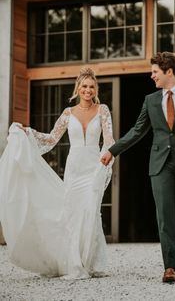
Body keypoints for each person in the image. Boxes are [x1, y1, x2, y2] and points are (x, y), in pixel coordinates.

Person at [101, 52, 175, 283]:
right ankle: (170, 266)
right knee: (165, 216)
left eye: (154, 72)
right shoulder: (150, 100)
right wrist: (113, 150)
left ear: (168, 71)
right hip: (160, 164)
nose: (151, 76)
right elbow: (137, 130)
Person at [0, 68, 114, 279]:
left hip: (94, 165)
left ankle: (91, 262)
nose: (87, 90)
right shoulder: (67, 113)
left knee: (91, 209)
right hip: (74, 168)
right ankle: (74, 264)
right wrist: (28, 132)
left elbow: (109, 140)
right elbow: (51, 139)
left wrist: (107, 159)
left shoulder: (103, 110)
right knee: (72, 213)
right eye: (84, 86)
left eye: (91, 86)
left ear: (95, 89)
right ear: (78, 88)